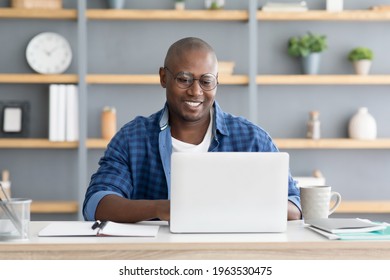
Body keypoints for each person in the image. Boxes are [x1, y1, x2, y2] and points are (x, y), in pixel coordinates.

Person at [83, 37, 302, 223]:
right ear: (163, 77)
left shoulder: (252, 139)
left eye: (206, 81)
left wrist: (238, 206)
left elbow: (294, 206)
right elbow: (96, 203)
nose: (195, 91)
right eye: (184, 79)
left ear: (216, 82)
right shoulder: (132, 138)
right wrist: (163, 208)